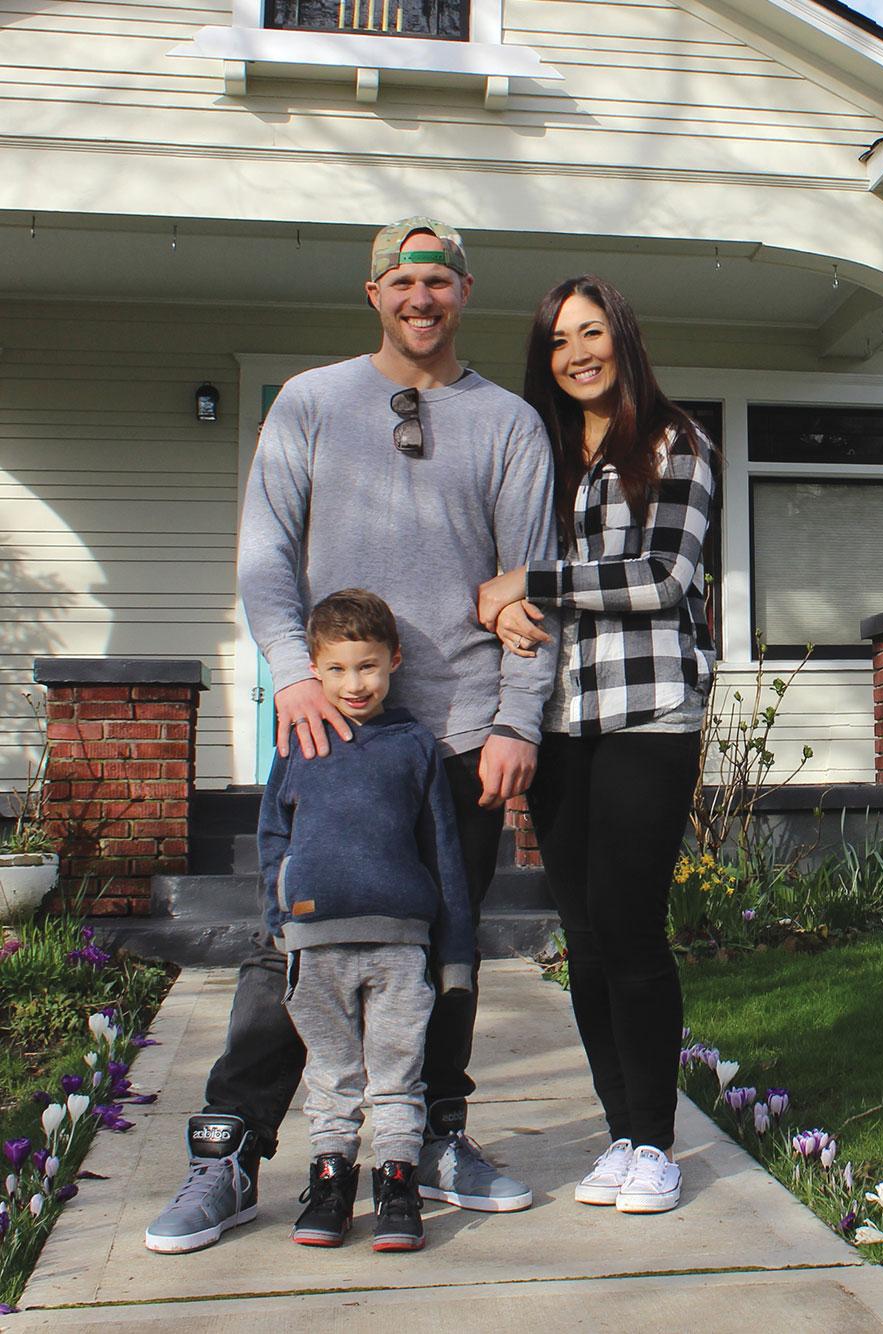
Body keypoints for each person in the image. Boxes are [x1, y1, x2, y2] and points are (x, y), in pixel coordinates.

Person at [144, 217, 558, 1255]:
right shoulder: (311, 402)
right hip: (332, 725)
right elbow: (265, 555)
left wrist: (516, 718)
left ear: (464, 289)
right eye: (401, 279)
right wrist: (291, 671)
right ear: (374, 292)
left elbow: (534, 583)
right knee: (290, 940)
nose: (421, 296)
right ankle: (231, 1152)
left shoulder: (507, 423)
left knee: (445, 943)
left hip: (461, 726)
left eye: (439, 279)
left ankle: (437, 1140)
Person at [477, 274, 715, 1214]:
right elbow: (501, 578)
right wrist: (497, 606)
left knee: (629, 925)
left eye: (591, 333)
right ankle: (621, 1134)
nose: (576, 353)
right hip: (560, 721)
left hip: (648, 713)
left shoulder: (675, 442)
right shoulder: (539, 455)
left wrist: (524, 581)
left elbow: (663, 575)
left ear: (621, 336)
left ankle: (657, 1143)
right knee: (581, 936)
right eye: (559, 340)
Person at [266, 589, 475, 1253]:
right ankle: (330, 1185)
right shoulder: (298, 740)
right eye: (336, 669)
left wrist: (457, 955)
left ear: (395, 662)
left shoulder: (413, 744)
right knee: (330, 1075)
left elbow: (443, 847)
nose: (354, 684)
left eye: (368, 667)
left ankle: (396, 1185)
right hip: (315, 943)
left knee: (395, 1074)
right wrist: (278, 917)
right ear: (314, 669)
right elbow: (274, 834)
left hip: (399, 946)